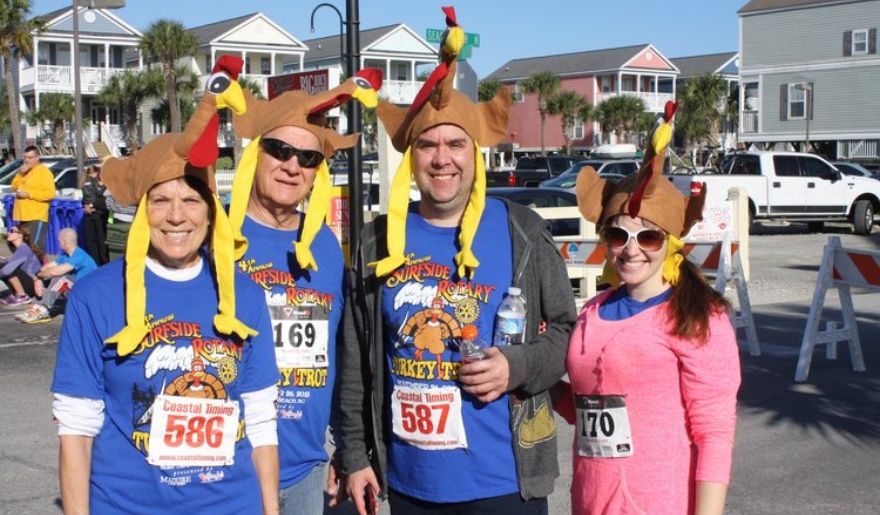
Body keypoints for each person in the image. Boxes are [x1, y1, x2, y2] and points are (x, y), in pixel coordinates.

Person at [335, 8, 576, 515]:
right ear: (411, 155)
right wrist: (356, 454)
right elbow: (356, 357)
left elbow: (567, 335)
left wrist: (517, 365)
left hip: (505, 485)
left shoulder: (522, 232)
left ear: (475, 152)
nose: (442, 158)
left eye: (454, 144)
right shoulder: (377, 240)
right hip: (406, 486)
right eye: (427, 144)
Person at [50, 57, 282, 515]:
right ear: (141, 210)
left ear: (212, 210)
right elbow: (76, 430)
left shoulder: (244, 295)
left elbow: (260, 422)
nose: (177, 216)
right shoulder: (94, 296)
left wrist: (271, 510)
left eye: (191, 200)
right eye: (161, 200)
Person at [553, 102, 741, 515]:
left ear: (671, 243)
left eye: (649, 238)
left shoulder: (699, 316)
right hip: (589, 501)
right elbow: (587, 406)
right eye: (619, 236)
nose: (632, 249)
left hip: (659, 502)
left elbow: (713, 432)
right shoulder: (593, 311)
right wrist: (537, 380)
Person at [227, 68, 382, 515]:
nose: (293, 166)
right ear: (256, 154)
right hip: (225, 470)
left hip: (305, 472)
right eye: (279, 150)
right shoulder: (212, 234)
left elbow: (344, 356)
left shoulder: (326, 247)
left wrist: (346, 450)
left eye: (308, 158)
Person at [17, 228, 97, 323]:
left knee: (62, 278)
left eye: (58, 240)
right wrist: (38, 279)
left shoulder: (80, 255)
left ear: (64, 241)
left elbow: (55, 272)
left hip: (89, 294)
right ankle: (35, 309)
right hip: (75, 291)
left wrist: (44, 274)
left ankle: (42, 310)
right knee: (50, 279)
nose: (58, 243)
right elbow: (46, 268)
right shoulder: (64, 256)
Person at [10, 145, 55, 253]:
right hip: (23, 216)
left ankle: (39, 269)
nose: (26, 160)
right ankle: (28, 269)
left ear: (37, 158)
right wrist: (20, 173)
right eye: (25, 157)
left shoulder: (44, 172)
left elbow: (50, 194)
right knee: (25, 248)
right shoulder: (25, 171)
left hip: (36, 216)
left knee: (35, 248)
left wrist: (29, 195)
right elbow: (14, 187)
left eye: (30, 158)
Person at [0, 225, 43, 305]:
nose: (9, 233)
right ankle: (17, 294)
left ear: (20, 235)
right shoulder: (20, 249)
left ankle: (22, 295)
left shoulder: (24, 249)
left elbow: (7, 270)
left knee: (7, 268)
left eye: (12, 231)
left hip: (31, 286)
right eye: (9, 231)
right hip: (28, 283)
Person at [82, 165, 109, 264]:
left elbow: (104, 198)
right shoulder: (94, 183)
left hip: (96, 212)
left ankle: (98, 261)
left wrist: (89, 206)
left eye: (92, 172)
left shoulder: (86, 183)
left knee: (95, 240)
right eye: (89, 173)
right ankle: (100, 261)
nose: (91, 175)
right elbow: (101, 196)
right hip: (97, 213)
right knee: (97, 240)